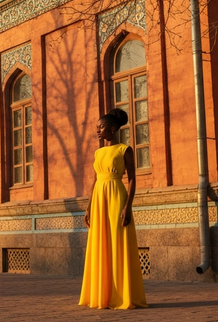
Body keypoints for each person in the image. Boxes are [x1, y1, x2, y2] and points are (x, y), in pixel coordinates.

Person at [78, 108, 148, 310]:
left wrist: (128, 206)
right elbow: (95, 181)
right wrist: (89, 207)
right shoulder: (98, 152)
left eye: (101, 127)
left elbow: (132, 179)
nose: (98, 131)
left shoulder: (124, 149)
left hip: (117, 197)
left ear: (113, 128)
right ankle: (102, 295)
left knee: (118, 242)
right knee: (100, 243)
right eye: (97, 128)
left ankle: (121, 295)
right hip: (99, 199)